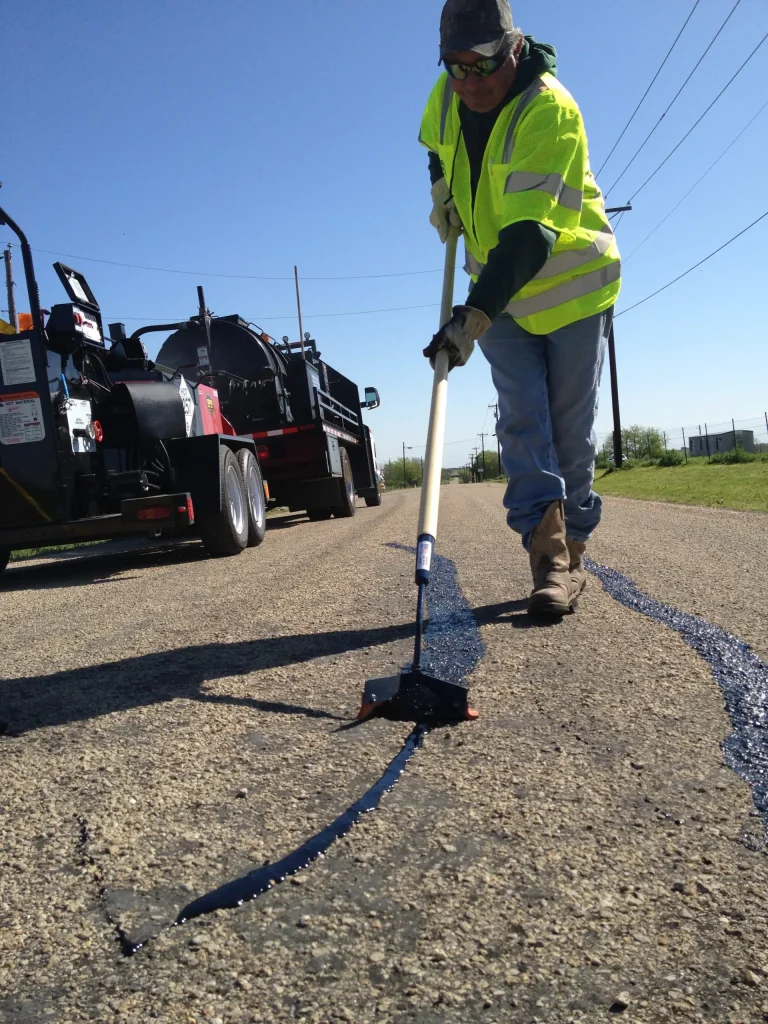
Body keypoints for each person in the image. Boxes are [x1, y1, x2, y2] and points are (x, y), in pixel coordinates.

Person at [420, 0, 621, 617]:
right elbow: (435, 141)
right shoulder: (449, 91)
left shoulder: (550, 109)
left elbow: (532, 235)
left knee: (569, 433)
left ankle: (575, 544)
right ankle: (548, 560)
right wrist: (442, 189)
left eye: (482, 64)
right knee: (521, 424)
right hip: (498, 292)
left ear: (513, 48)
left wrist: (470, 318)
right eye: (455, 66)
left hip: (570, 290)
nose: (469, 81)